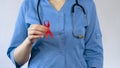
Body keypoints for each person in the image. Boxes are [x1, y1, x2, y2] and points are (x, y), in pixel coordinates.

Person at [7, 0, 103, 68]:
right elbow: (17, 60)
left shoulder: (86, 4)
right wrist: (28, 42)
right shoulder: (28, 5)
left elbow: (94, 52)